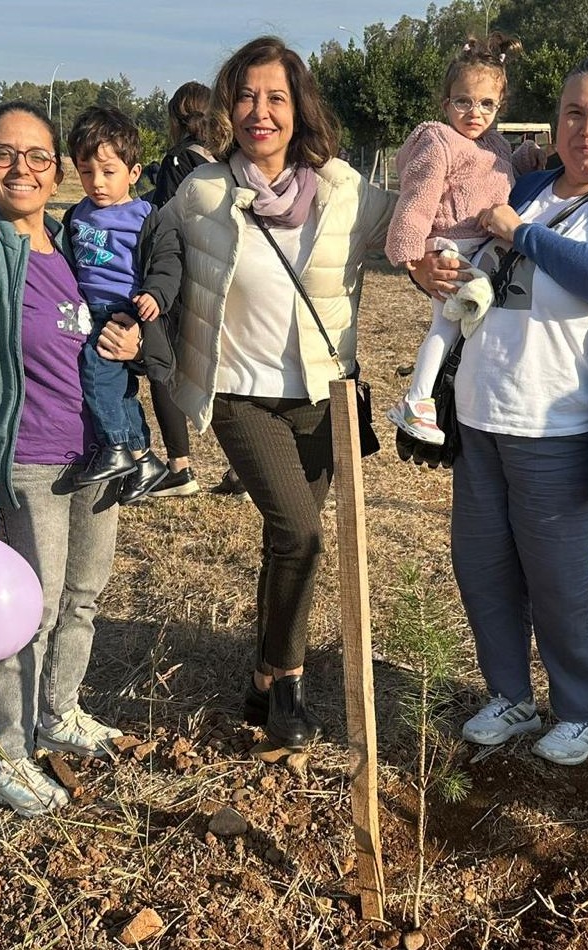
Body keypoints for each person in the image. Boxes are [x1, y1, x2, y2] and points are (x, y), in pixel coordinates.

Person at [116, 36, 397, 749]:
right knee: (300, 532)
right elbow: (141, 247)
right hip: (240, 393)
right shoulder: (203, 191)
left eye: (275, 97)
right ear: (227, 107)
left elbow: (416, 227)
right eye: (245, 96)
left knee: (287, 542)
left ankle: (264, 684)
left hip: (322, 396)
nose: (259, 111)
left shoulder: (345, 188)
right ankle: (289, 684)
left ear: (298, 108)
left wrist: (476, 167)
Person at [413, 51, 588, 765]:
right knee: (483, 567)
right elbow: (461, 243)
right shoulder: (524, 185)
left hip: (562, 428)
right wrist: (432, 268)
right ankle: (509, 696)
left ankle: (580, 709)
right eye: (572, 112)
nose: (585, 128)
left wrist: (520, 232)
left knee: (558, 579)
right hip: (479, 418)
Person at [0, 101, 126, 817]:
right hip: (28, 463)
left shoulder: (76, 245)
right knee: (28, 616)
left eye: (38, 155)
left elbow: (98, 329)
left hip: (93, 459)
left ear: (57, 168)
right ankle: (6, 758)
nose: (23, 168)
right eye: (5, 154)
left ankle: (60, 712)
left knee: (82, 598)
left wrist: (126, 342)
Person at [385, 32, 541, 445]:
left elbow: (503, 176)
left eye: (487, 103)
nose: (475, 112)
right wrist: (411, 253)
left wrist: (527, 158)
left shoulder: (493, 145)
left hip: (479, 248)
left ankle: (437, 395)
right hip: (448, 245)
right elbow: (417, 200)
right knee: (448, 324)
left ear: (499, 107)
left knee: (464, 322)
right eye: (464, 101)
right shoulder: (438, 143)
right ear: (446, 104)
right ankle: (417, 401)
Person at [65, 106, 181, 504]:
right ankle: (145, 461)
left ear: (133, 173)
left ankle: (115, 446)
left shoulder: (147, 217)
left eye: (108, 172)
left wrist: (154, 296)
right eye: (86, 172)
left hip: (123, 311)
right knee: (122, 391)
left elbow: (168, 263)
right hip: (88, 311)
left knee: (97, 373)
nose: (96, 183)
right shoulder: (76, 215)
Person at [137, 82, 214, 499]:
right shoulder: (222, 158)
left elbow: (165, 217)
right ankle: (240, 472)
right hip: (216, 276)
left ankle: (179, 467)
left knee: (161, 367)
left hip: (178, 277)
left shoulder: (178, 158)